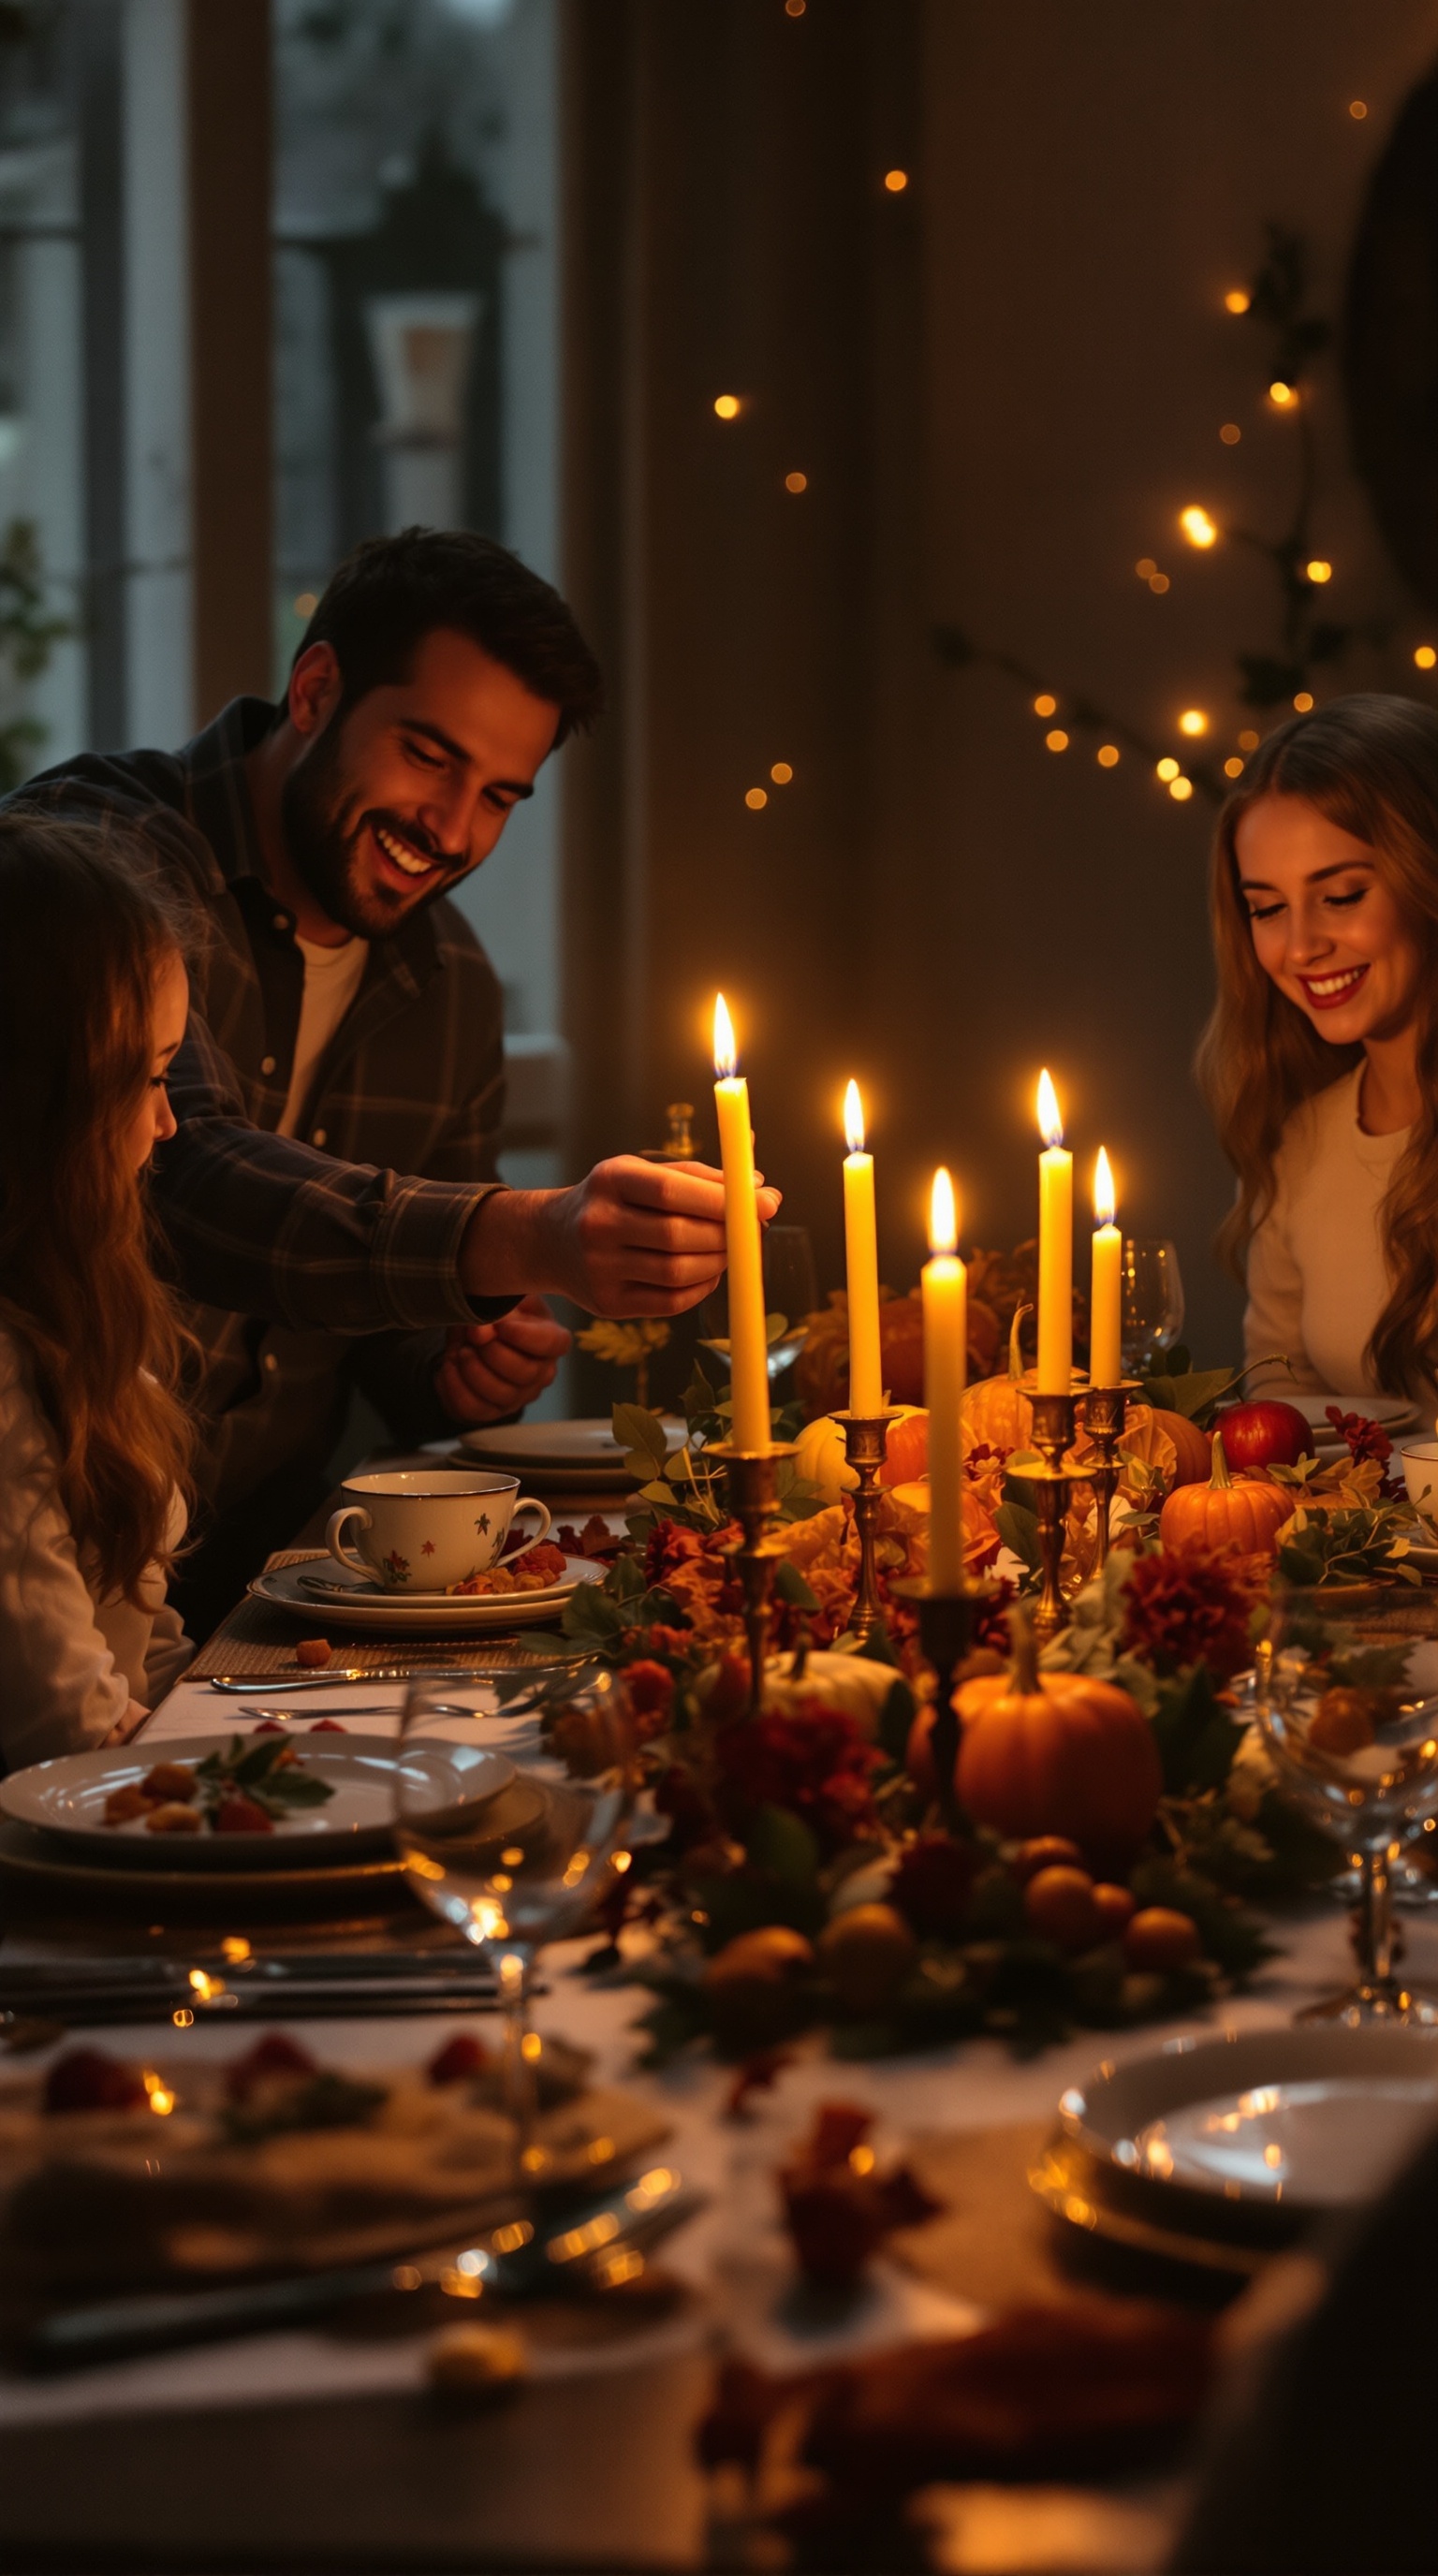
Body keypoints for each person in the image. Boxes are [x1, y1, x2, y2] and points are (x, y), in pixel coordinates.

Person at [8, 530, 777, 1633]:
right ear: (315, 689)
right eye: (428, 754)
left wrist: (464, 1358)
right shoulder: (101, 861)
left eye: (501, 796)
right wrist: (525, 1237)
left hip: (266, 1598)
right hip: (52, 1590)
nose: (453, 829)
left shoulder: (449, 976)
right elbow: (181, 1175)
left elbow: (390, 1347)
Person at [0, 817, 197, 1769]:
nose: (168, 1123)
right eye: (150, 1077)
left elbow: (145, 1652)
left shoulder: (80, 1305)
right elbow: (66, 1726)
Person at [1196, 692, 1438, 1407]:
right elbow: (1280, 1408)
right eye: (1267, 909)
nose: (1301, 946)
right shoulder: (1297, 1144)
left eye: (1342, 895)